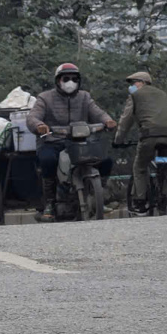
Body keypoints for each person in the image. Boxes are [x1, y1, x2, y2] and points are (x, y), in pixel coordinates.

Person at [27, 63, 118, 222]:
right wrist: (39, 126)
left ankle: (97, 197)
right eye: (66, 78)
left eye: (74, 79)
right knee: (48, 161)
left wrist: (108, 121)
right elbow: (32, 117)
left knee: (106, 161)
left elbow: (98, 113)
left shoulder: (84, 97)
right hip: (52, 141)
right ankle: (49, 203)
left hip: (79, 141)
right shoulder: (45, 97)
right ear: (58, 81)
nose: (70, 82)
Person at [114, 71, 167, 215]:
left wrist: (118, 140)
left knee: (139, 166)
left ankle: (140, 200)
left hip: (150, 135)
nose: (131, 86)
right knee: (164, 163)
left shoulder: (135, 96)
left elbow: (126, 120)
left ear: (143, 82)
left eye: (134, 83)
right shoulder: (162, 94)